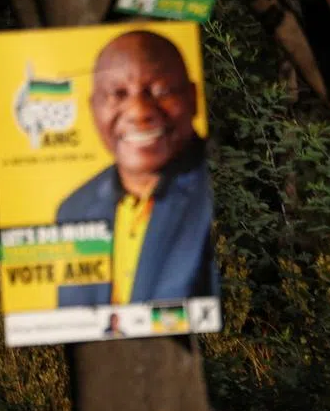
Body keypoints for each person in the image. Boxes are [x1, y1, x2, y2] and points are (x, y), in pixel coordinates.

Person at [55, 30, 215, 307]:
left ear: (193, 97)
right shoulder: (73, 211)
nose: (139, 111)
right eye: (118, 94)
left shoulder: (225, 187)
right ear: (93, 109)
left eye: (161, 91)